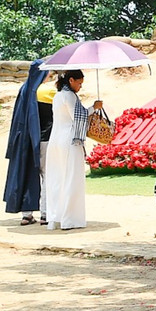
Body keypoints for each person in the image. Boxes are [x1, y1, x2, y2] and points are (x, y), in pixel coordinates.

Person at [40, 70, 89, 231]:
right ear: (71, 80)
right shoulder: (69, 96)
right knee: (72, 179)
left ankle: (55, 218)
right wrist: (95, 108)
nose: (80, 86)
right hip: (70, 141)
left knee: (57, 178)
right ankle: (70, 219)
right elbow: (79, 117)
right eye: (79, 83)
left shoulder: (58, 95)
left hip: (56, 140)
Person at [2, 60, 47, 226]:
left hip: (22, 139)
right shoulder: (40, 91)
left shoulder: (24, 89)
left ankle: (27, 214)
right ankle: (45, 213)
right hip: (36, 139)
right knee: (45, 176)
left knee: (25, 174)